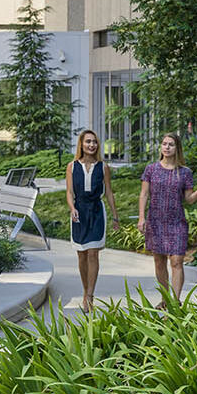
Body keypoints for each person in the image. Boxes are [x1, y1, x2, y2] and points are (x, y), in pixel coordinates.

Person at [137, 132, 197, 308]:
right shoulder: (151, 169)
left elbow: (189, 199)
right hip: (156, 221)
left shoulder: (185, 173)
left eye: (171, 144)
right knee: (159, 261)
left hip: (177, 221)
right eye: (164, 144)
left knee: (177, 261)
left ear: (177, 148)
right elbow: (144, 194)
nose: (167, 147)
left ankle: (175, 301)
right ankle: (165, 299)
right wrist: (141, 218)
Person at [66, 129, 120, 313]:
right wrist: (72, 208)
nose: (91, 145)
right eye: (88, 141)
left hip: (97, 212)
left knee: (93, 254)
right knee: (81, 254)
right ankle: (84, 290)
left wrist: (115, 216)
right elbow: (69, 192)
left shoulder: (103, 167)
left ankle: (90, 295)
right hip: (79, 212)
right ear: (81, 144)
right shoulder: (72, 166)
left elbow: (110, 192)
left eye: (94, 142)